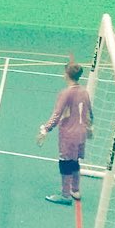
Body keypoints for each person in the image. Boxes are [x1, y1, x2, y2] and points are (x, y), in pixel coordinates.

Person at [37, 62, 93, 205]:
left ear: (67, 75)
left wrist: (45, 129)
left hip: (69, 134)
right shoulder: (84, 91)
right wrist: (90, 128)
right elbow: (90, 113)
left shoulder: (65, 93)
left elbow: (57, 115)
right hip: (81, 133)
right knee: (75, 161)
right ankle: (76, 190)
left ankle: (65, 195)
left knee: (65, 163)